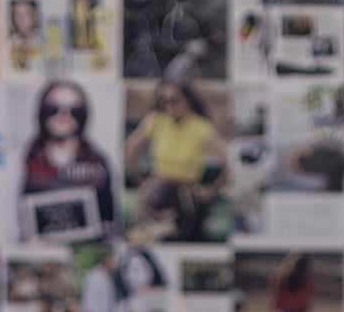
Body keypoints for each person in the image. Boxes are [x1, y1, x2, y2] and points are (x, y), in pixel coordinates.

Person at [122, 80, 228, 241]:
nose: (169, 106)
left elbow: (229, 159)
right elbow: (130, 150)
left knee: (179, 240)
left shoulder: (201, 127)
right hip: (156, 193)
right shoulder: (157, 121)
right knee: (139, 237)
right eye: (164, 101)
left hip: (185, 196)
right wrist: (140, 180)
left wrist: (212, 190)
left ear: (187, 99)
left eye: (174, 100)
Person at [18, 81, 119, 240]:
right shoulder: (29, 156)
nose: (62, 116)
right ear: (41, 111)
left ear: (83, 115)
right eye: (53, 108)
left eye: (74, 110)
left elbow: (110, 219)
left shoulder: (98, 161)